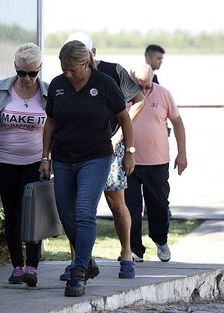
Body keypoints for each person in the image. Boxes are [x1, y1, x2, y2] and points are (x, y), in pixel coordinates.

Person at [40, 40, 135, 297]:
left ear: (86, 63)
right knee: (66, 214)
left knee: (84, 211)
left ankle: (78, 271)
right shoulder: (58, 85)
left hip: (95, 157)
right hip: (63, 158)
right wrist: (45, 157)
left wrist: (130, 153)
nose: (68, 75)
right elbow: (50, 123)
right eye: (64, 69)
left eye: (73, 70)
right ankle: (87, 259)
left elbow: (125, 118)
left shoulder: (105, 83)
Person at [61, 32, 147, 279]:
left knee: (116, 202)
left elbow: (139, 101)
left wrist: (120, 138)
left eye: (83, 55)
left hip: (109, 146)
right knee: (77, 206)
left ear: (92, 54)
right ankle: (79, 260)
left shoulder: (113, 72)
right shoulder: (67, 75)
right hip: (77, 149)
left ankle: (127, 253)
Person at [0, 43, 49, 287]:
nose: (27, 78)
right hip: (4, 160)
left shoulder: (47, 93)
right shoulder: (0, 89)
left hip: (35, 160)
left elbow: (54, 128)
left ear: (40, 69)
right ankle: (16, 266)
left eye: (32, 73)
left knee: (31, 214)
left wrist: (48, 158)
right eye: (22, 73)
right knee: (12, 213)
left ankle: (32, 267)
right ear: (15, 67)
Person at [126, 64, 187, 262]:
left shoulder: (164, 94)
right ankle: (135, 249)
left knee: (159, 205)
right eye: (138, 86)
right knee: (131, 208)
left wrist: (182, 153)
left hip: (157, 162)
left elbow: (177, 123)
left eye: (147, 86)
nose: (143, 91)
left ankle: (161, 241)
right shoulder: (122, 94)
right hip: (129, 161)